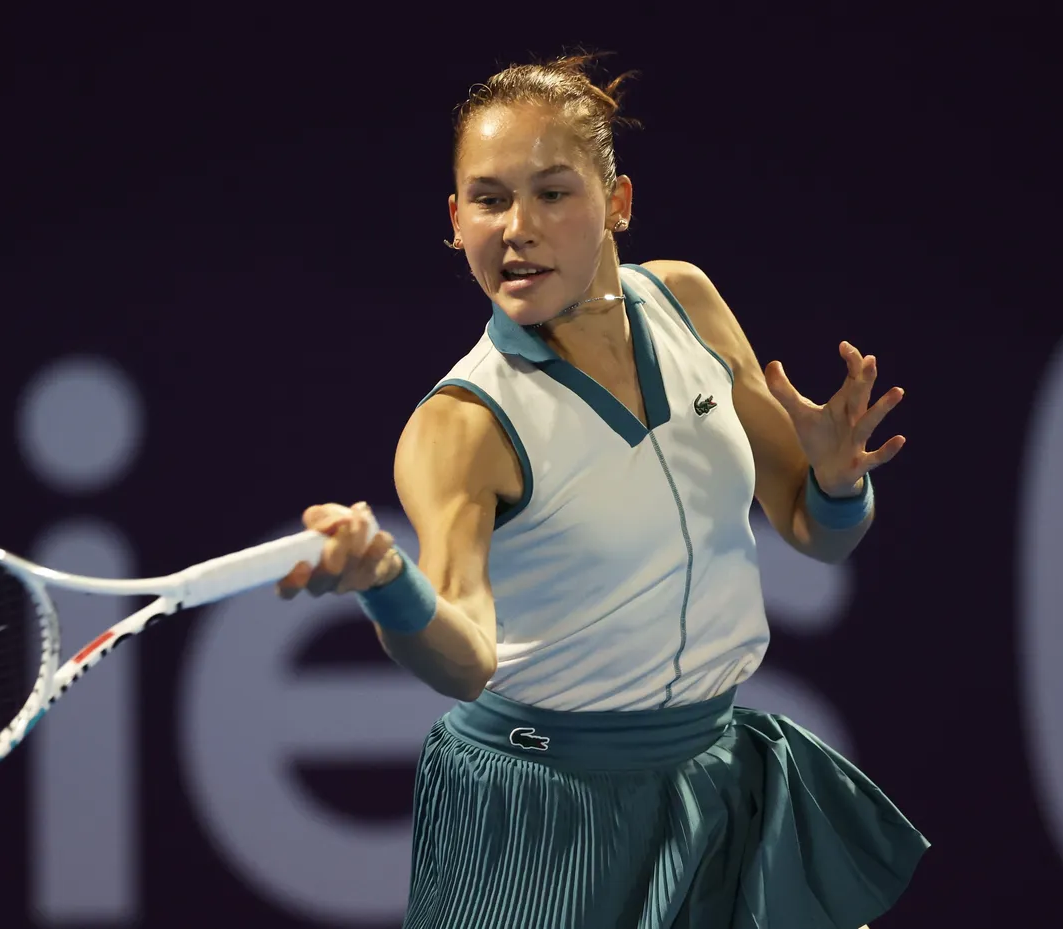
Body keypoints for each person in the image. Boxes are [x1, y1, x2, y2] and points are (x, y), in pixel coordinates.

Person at [277, 51, 928, 929]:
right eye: (489, 200)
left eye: (553, 193)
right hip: (543, 812)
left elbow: (815, 530)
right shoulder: (462, 425)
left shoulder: (688, 301)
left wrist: (838, 482)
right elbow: (464, 660)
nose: (518, 228)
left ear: (617, 201)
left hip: (715, 784)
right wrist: (387, 582)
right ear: (456, 221)